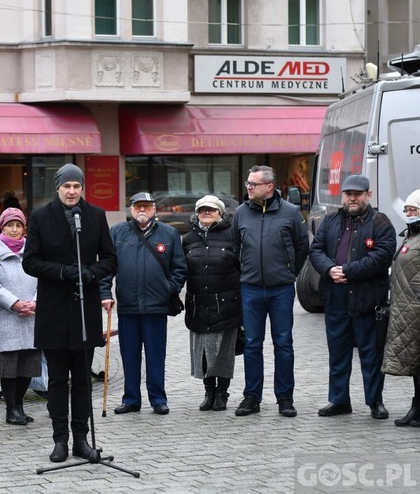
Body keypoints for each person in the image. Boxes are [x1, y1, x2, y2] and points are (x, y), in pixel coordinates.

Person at [22, 163, 117, 463]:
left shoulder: (95, 216)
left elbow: (111, 259)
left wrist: (91, 273)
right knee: (57, 381)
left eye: (77, 186)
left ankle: (81, 439)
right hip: (53, 312)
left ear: (82, 188)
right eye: (67, 186)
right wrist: (64, 272)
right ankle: (59, 439)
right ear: (58, 187)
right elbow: (30, 262)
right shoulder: (40, 217)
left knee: (83, 380)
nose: (72, 191)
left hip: (84, 312)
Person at [309, 175, 396, 419]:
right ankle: (339, 400)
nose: (352, 198)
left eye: (358, 193)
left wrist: (348, 271)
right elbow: (315, 249)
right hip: (335, 298)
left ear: (369, 195)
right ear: (343, 196)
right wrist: (329, 269)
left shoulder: (380, 222)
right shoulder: (330, 220)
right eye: (348, 194)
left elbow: (382, 256)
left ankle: (375, 402)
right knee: (338, 352)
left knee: (371, 353)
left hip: (367, 298)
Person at [99, 192, 186, 415]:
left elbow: (180, 268)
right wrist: (104, 293)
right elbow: (106, 267)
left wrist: (168, 289)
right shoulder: (118, 233)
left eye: (147, 206)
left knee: (156, 354)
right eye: (138, 206)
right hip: (128, 305)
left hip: (156, 306)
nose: (142, 211)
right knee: (129, 354)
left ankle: (158, 399)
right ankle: (131, 399)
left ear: (155, 209)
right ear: (131, 210)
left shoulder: (169, 234)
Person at [231, 165, 308, 418]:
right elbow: (235, 247)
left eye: (253, 184)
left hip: (281, 290)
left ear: (269, 187)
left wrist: (288, 274)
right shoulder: (241, 213)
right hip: (250, 289)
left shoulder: (290, 213)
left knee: (283, 344)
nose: (249, 187)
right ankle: (252, 397)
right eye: (248, 184)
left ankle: (285, 398)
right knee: (252, 344)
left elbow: (301, 247)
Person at [182, 195, 241, 412]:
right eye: (203, 210)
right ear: (196, 213)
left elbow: (242, 268)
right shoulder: (188, 239)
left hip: (226, 304)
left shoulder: (232, 237)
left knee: (223, 352)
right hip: (198, 304)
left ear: (220, 212)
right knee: (203, 352)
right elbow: (180, 269)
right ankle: (208, 391)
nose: (207, 213)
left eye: (212, 210)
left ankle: (222, 392)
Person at [0, 207, 39, 425]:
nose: (14, 230)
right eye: (9, 225)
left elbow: (42, 277)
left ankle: (19, 406)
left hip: (31, 315)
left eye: (18, 225)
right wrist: (15, 304)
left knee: (28, 364)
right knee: (9, 366)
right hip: (5, 317)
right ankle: (11, 409)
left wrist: (34, 301)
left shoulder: (33, 249)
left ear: (24, 228)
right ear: (2, 227)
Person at [383, 189, 420, 426]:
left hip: (416, 308)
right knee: (415, 363)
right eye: (406, 209)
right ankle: (416, 408)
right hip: (408, 311)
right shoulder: (411, 235)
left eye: (413, 210)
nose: (407, 213)